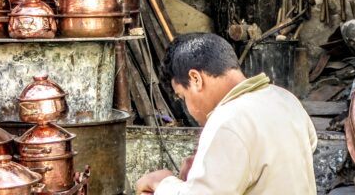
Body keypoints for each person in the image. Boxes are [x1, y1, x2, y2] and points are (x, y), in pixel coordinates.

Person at [135, 33, 317, 195]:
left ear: (196, 79)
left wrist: (163, 183)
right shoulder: (285, 99)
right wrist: (208, 170)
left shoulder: (227, 120)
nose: (188, 108)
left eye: (183, 97)